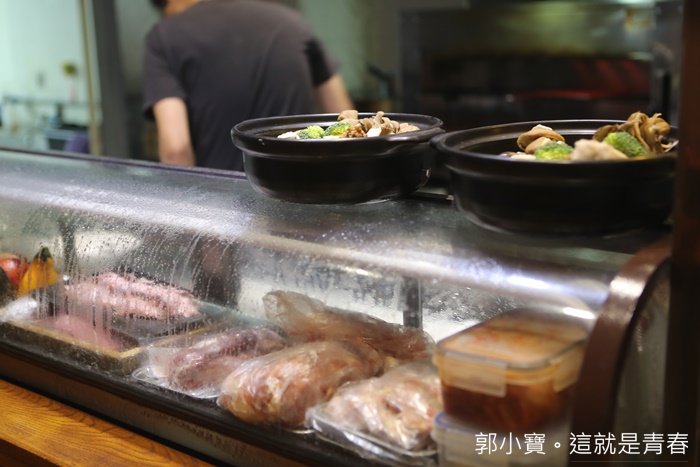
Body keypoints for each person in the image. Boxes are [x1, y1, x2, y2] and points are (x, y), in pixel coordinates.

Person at [143, 0, 353, 171]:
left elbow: (176, 151)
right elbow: (346, 120)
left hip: (223, 201)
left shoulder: (163, 37)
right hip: (307, 192)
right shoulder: (291, 21)